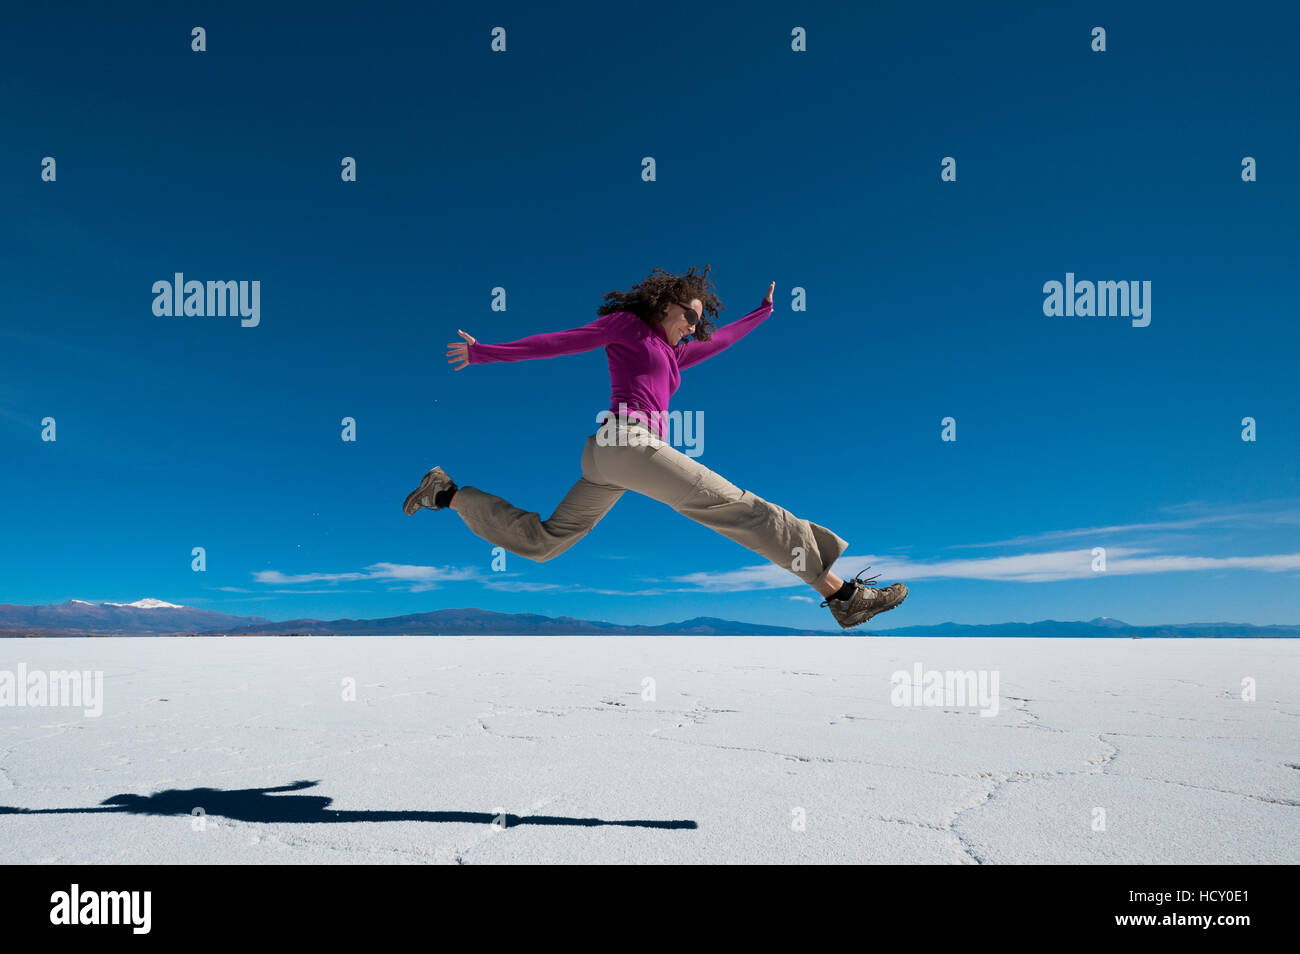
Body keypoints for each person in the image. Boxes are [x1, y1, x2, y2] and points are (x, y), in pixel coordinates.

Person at [403, 265, 907, 629]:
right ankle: (843, 595)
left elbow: (723, 340)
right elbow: (561, 340)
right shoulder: (628, 328)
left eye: (698, 320)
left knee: (543, 542)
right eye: (689, 314)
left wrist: (764, 311)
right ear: (663, 304)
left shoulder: (673, 355)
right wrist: (483, 353)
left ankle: (444, 494)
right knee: (735, 509)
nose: (694, 325)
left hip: (609, 460)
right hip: (625, 442)